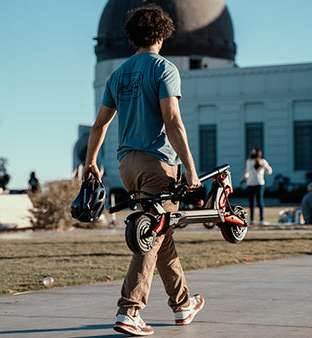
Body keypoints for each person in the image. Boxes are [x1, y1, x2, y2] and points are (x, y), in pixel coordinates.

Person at [82, 5, 203, 336]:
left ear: (131, 38)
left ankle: (182, 305)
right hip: (156, 165)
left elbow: (98, 126)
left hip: (126, 166)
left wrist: (91, 162)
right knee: (153, 233)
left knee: (160, 233)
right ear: (162, 35)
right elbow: (173, 120)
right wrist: (190, 168)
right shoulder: (164, 68)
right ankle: (129, 310)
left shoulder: (118, 75)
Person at [240, 147, 273, 225]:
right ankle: (252, 220)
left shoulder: (263, 161)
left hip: (259, 184)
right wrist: (243, 179)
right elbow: (247, 172)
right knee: (251, 202)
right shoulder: (249, 161)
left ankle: (261, 219)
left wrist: (263, 166)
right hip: (250, 184)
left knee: (259, 201)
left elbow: (270, 171)